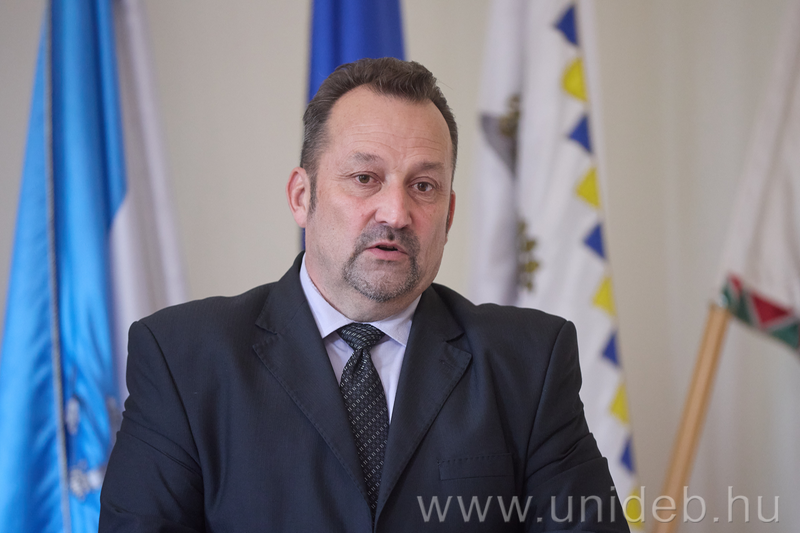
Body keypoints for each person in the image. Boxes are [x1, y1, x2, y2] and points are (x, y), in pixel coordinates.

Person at [99, 58, 629, 532]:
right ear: (302, 197)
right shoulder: (182, 358)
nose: (395, 213)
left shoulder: (529, 362)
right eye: (364, 178)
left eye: (423, 186)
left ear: (448, 216)